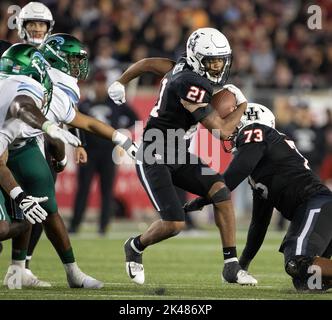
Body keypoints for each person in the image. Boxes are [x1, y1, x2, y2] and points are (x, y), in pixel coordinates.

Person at [109, 27, 257, 286]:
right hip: (153, 153)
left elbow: (147, 63)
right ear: (197, 58)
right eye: (212, 61)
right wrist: (243, 104)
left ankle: (231, 265)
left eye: (221, 60)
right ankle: (135, 245)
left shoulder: (180, 66)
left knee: (220, 191)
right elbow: (221, 131)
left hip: (179, 152)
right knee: (174, 224)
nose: (218, 66)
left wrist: (122, 80)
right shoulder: (189, 83)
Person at [1, 35, 137, 289]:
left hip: (25, 143)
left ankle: (30, 271)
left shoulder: (52, 85)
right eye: (73, 60)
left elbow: (75, 119)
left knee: (44, 206)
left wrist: (121, 139)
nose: (78, 66)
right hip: (7, 145)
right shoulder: (23, 89)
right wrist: (52, 134)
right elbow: (25, 108)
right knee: (10, 222)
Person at [184, 103, 332, 291]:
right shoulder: (263, 167)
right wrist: (243, 265)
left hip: (317, 205)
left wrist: (203, 200)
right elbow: (259, 223)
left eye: (234, 123)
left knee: (298, 262)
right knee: (307, 280)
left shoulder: (256, 131)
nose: (229, 128)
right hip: (315, 210)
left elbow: (233, 175)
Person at [0, 43, 81, 286]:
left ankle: (20, 268)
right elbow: (21, 106)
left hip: (16, 152)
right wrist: (48, 126)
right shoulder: (21, 98)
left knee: (8, 226)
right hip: (13, 150)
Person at [69, 70, 138, 235]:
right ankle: (74, 225)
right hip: (90, 151)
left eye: (102, 83)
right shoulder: (85, 104)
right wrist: (80, 144)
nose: (100, 87)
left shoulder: (114, 104)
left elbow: (133, 117)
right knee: (83, 189)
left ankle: (103, 227)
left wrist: (121, 128)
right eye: (97, 83)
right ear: (93, 85)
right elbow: (74, 123)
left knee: (107, 191)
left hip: (108, 151)